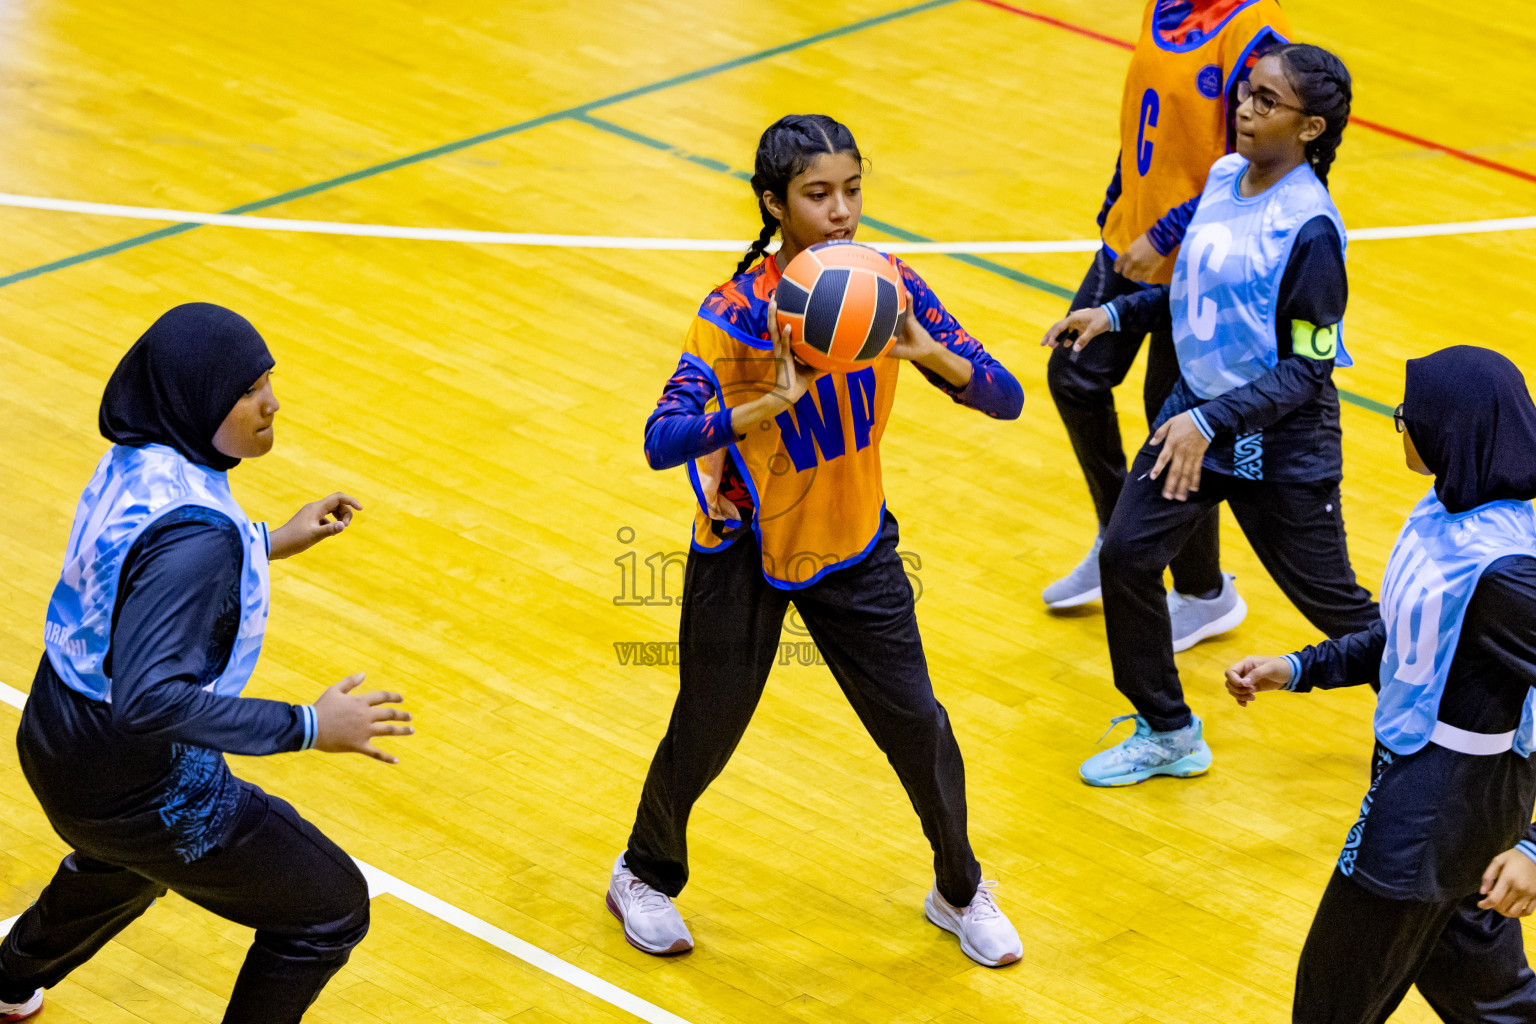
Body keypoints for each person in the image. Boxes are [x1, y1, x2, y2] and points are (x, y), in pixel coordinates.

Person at [607, 114, 1026, 968]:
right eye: (817, 194)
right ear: (774, 202)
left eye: (852, 190)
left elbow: (1007, 395)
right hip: (742, 551)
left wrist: (926, 353)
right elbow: (660, 438)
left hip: (855, 543)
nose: (841, 211)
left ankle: (958, 889)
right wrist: (755, 409)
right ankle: (642, 874)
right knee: (708, 726)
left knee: (918, 726)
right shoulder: (733, 315)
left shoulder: (891, 286)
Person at [0, 304, 413, 1024]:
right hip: (135, 775)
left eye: (267, 381)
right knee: (328, 907)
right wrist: (312, 724)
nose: (271, 401)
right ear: (193, 398)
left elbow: (142, 565)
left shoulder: (137, 458)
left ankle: (7, 978)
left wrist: (271, 539)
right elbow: (150, 701)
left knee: (123, 867)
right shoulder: (198, 539)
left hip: (57, 735)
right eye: (247, 390)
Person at [1043, 43, 1378, 786]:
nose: (1244, 111)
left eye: (1265, 102)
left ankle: (1447, 724)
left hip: (1279, 443)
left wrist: (1210, 420)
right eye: (1245, 95)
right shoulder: (1226, 177)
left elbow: (1308, 370)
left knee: (1337, 608)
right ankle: (1168, 731)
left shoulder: (1312, 230)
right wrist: (1116, 313)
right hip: (1198, 422)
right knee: (1127, 555)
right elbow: (1197, 291)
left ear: (1312, 128)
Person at [1225, 346, 1536, 1023]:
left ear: (1448, 432)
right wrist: (1304, 666)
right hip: (1454, 809)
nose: (1400, 424)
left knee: (1331, 1002)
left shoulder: (1508, 573)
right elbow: (1412, 635)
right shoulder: (1451, 510)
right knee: (1493, 1003)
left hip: (1428, 815)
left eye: (1406, 416)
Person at [1044, 0, 1291, 657]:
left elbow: (1265, 161)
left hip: (1200, 261)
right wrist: (1119, 201)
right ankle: (1114, 531)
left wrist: (1168, 231)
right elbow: (1144, 125)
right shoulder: (1167, 9)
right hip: (1133, 240)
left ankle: (1205, 591)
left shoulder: (1252, 32)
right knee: (1073, 373)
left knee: (1172, 419)